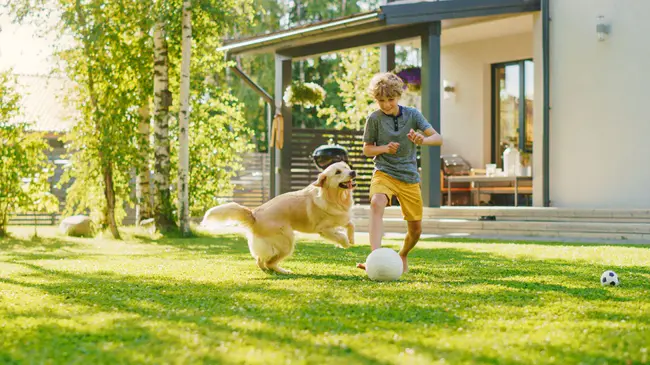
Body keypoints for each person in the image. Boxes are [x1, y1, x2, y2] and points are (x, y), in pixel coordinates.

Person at [357, 72, 443, 273]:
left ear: (398, 96)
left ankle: (402, 254)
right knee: (377, 202)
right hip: (384, 172)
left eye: (390, 99)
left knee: (415, 230)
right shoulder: (374, 119)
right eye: (381, 100)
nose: (386, 104)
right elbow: (367, 149)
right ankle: (375, 258)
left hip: (409, 177)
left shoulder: (413, 115)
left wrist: (423, 140)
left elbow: (438, 138)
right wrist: (384, 148)